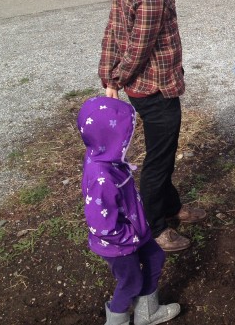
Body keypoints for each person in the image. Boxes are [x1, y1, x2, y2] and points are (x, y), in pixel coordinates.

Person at [98, 0, 205, 253]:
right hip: (155, 89)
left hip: (145, 88)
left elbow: (115, 29)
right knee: (159, 160)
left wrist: (109, 76)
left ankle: (171, 207)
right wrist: (116, 76)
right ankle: (156, 227)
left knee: (166, 151)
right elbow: (137, 49)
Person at [77, 97, 180, 325]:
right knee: (130, 282)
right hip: (118, 244)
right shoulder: (101, 178)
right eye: (127, 136)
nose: (132, 141)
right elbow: (101, 225)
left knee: (155, 256)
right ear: (110, 138)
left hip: (134, 231)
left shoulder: (107, 157)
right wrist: (130, 238)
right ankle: (117, 320)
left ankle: (147, 313)